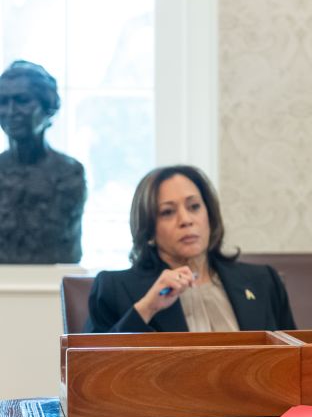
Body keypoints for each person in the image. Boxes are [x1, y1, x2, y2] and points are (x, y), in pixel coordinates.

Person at [85, 165, 296, 333]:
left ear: (209, 216)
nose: (186, 220)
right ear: (148, 230)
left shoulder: (263, 281)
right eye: (167, 212)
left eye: (194, 206)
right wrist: (147, 307)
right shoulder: (115, 288)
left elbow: (295, 362)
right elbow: (88, 370)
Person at [0, 60, 87, 264]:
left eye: (22, 100)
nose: (11, 111)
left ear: (47, 107)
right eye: (3, 102)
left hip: (52, 283)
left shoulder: (69, 173)